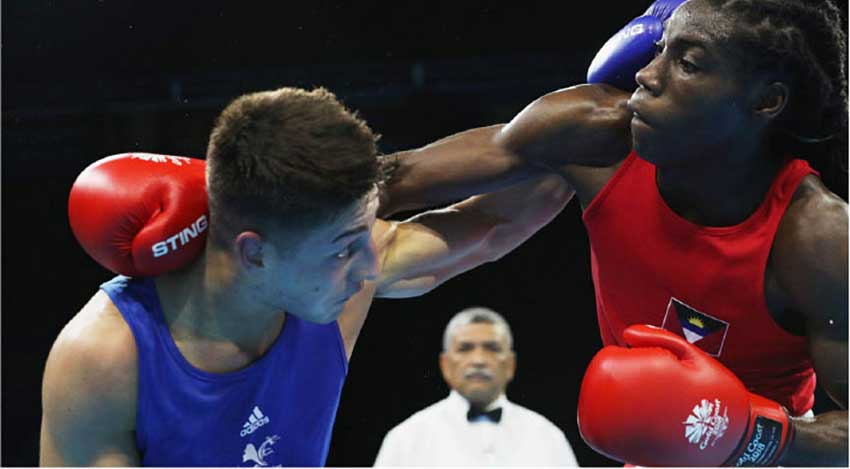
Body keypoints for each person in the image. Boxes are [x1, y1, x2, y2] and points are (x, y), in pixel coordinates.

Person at [378, 0, 848, 466]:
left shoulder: (817, 239)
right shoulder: (594, 136)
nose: (647, 74)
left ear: (766, 101)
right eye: (660, 49)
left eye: (687, 63)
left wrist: (747, 437)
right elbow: (394, 179)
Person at [41, 87, 574, 467]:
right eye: (344, 248)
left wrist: (615, 121)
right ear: (255, 255)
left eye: (366, 232)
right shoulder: (106, 357)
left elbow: (498, 223)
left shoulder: (335, 277)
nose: (369, 267)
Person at [374, 307, 579, 467]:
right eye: (465, 348)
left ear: (510, 365)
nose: (479, 360)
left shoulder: (547, 436)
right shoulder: (407, 438)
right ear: (445, 365)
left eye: (492, 348)